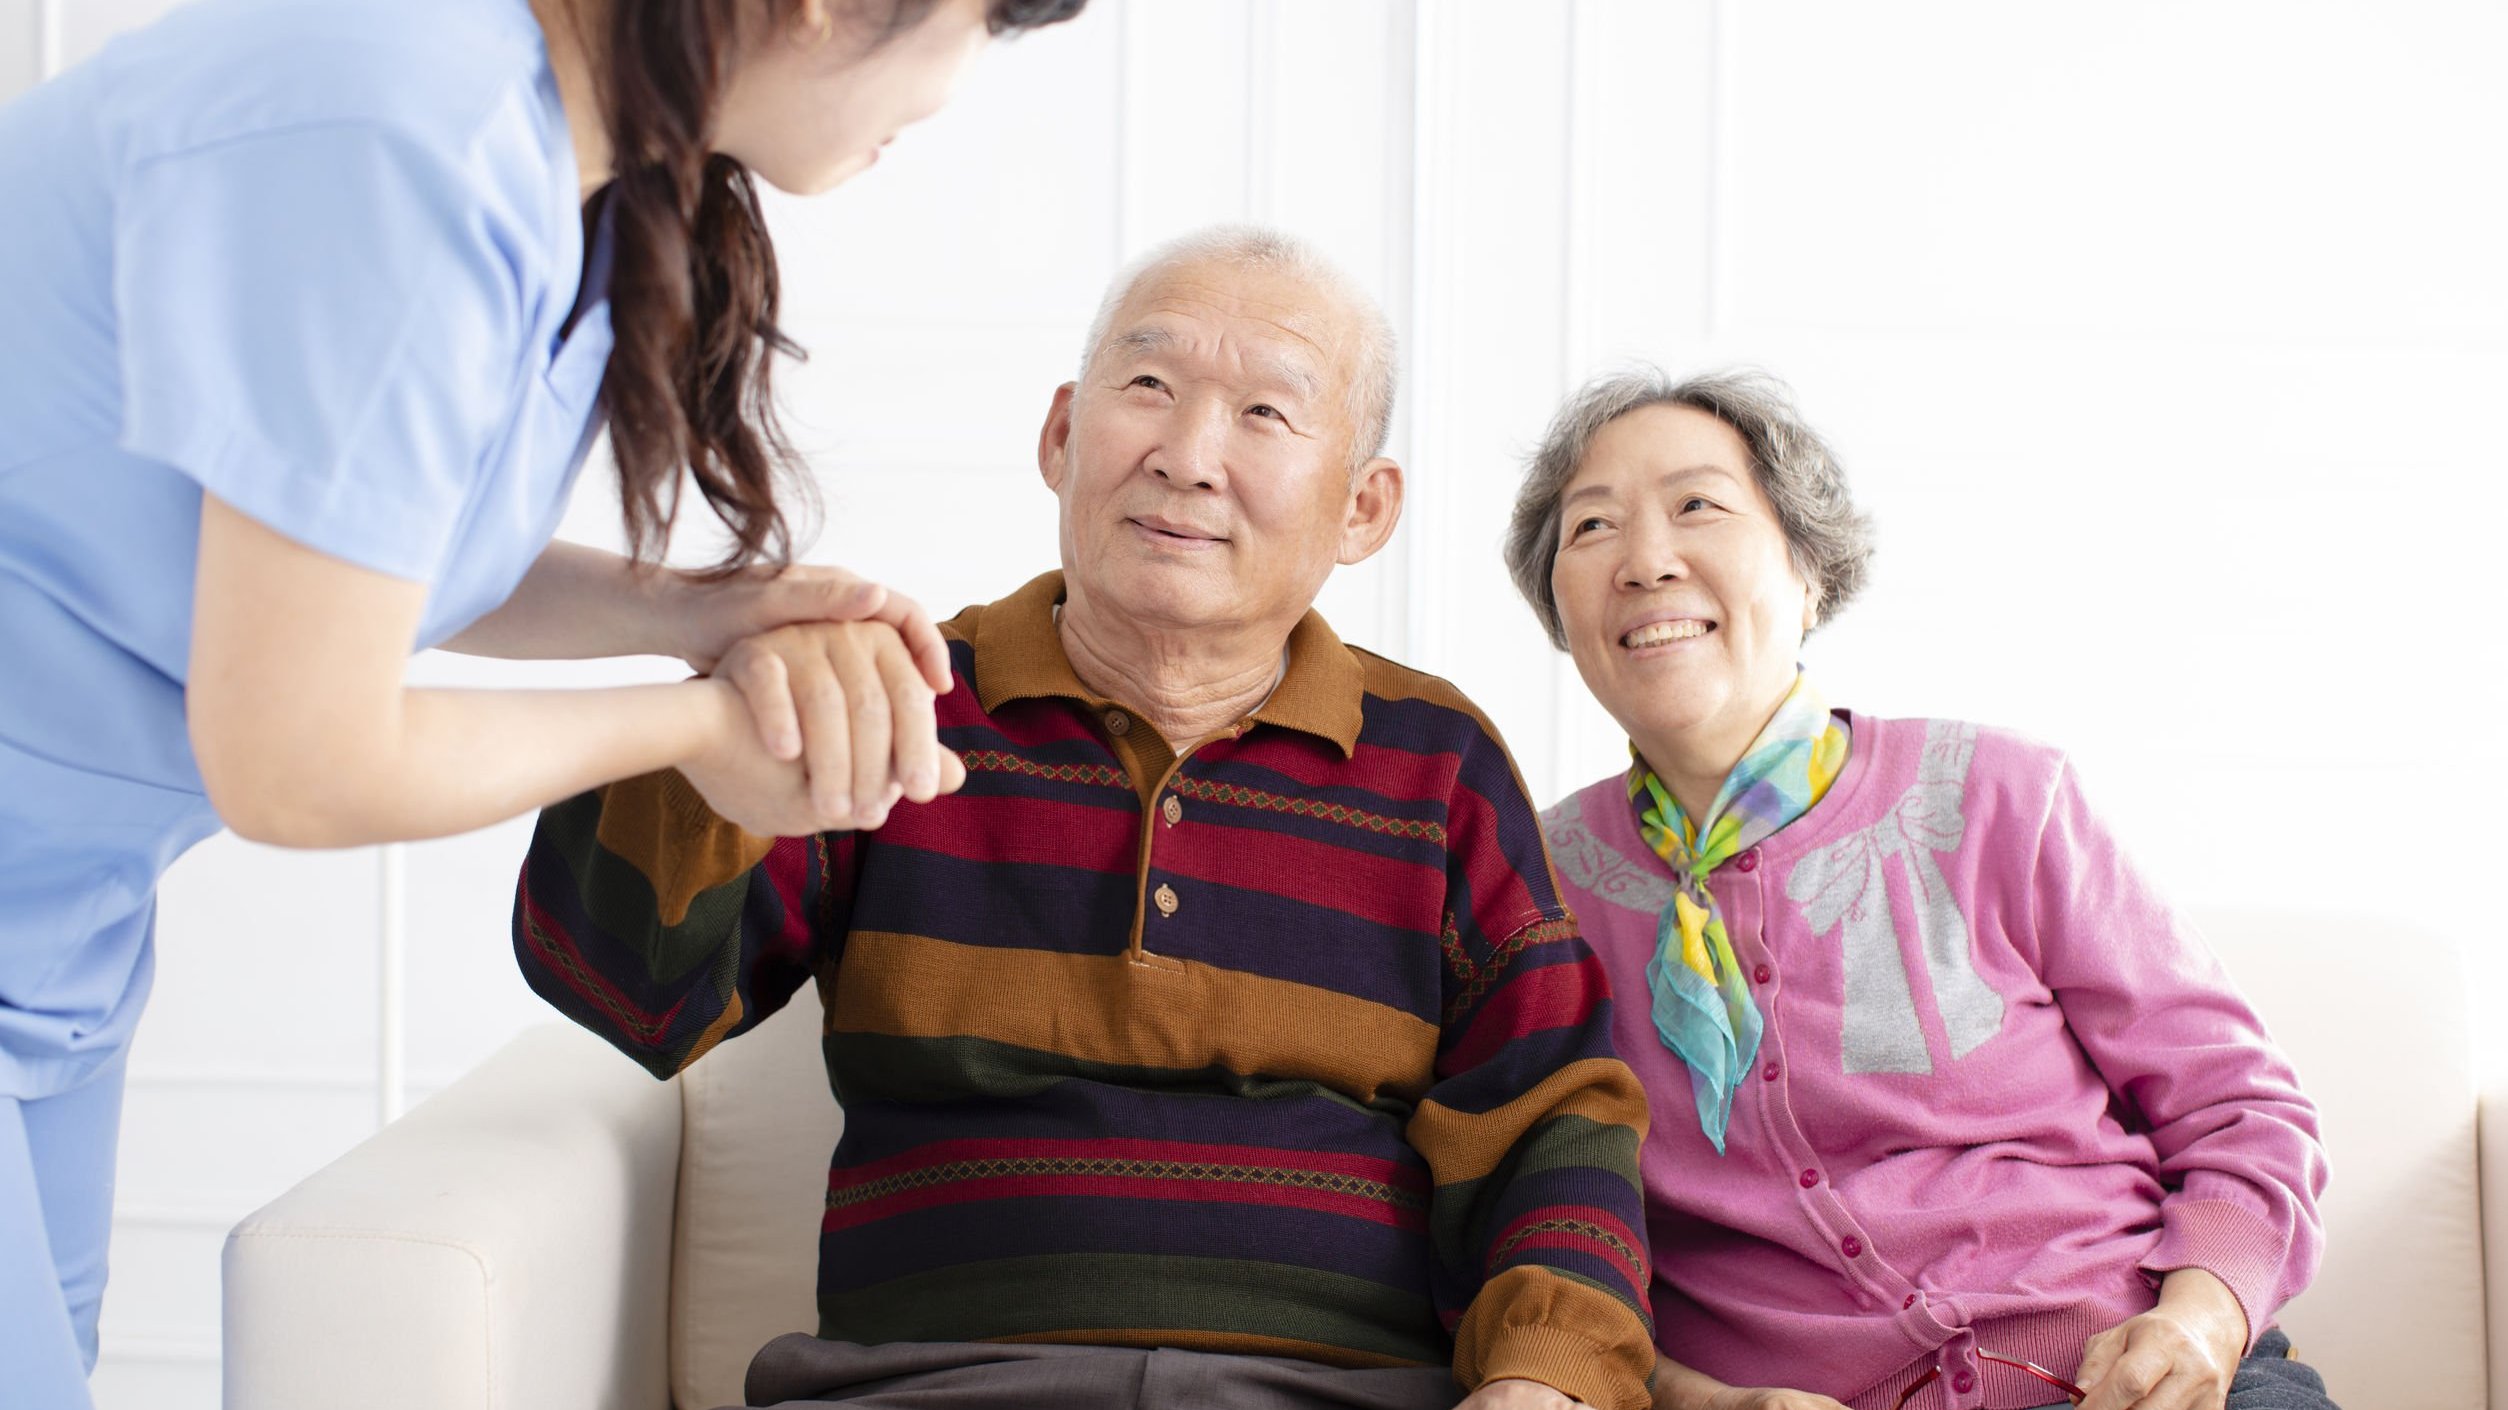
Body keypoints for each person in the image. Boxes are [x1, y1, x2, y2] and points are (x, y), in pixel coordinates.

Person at [0, 0, 1086, 1400]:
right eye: (985, 24)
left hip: (55, 928)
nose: (955, 88)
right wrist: (706, 729)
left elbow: (359, 547)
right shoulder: (408, 131)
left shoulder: (556, 157)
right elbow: (299, 759)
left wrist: (695, 613)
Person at [512, 226, 1658, 1410]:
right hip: (931, 1385)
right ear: (1062, 436)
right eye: (1150, 385)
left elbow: (1552, 1112)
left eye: (1265, 414)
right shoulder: (899, 699)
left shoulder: (1439, 763)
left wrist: (1547, 1378)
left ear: (1363, 508)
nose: (1189, 456)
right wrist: (714, 738)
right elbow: (620, 992)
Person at [1506, 369, 2336, 1410]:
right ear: (1559, 609)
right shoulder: (1532, 888)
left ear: (1809, 572)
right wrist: (1708, 1403)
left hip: (2142, 1374)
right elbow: (1527, 1235)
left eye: (1697, 506)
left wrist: (2200, 1318)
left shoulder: (1999, 795)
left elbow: (2238, 1108)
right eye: (1592, 529)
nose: (1646, 561)